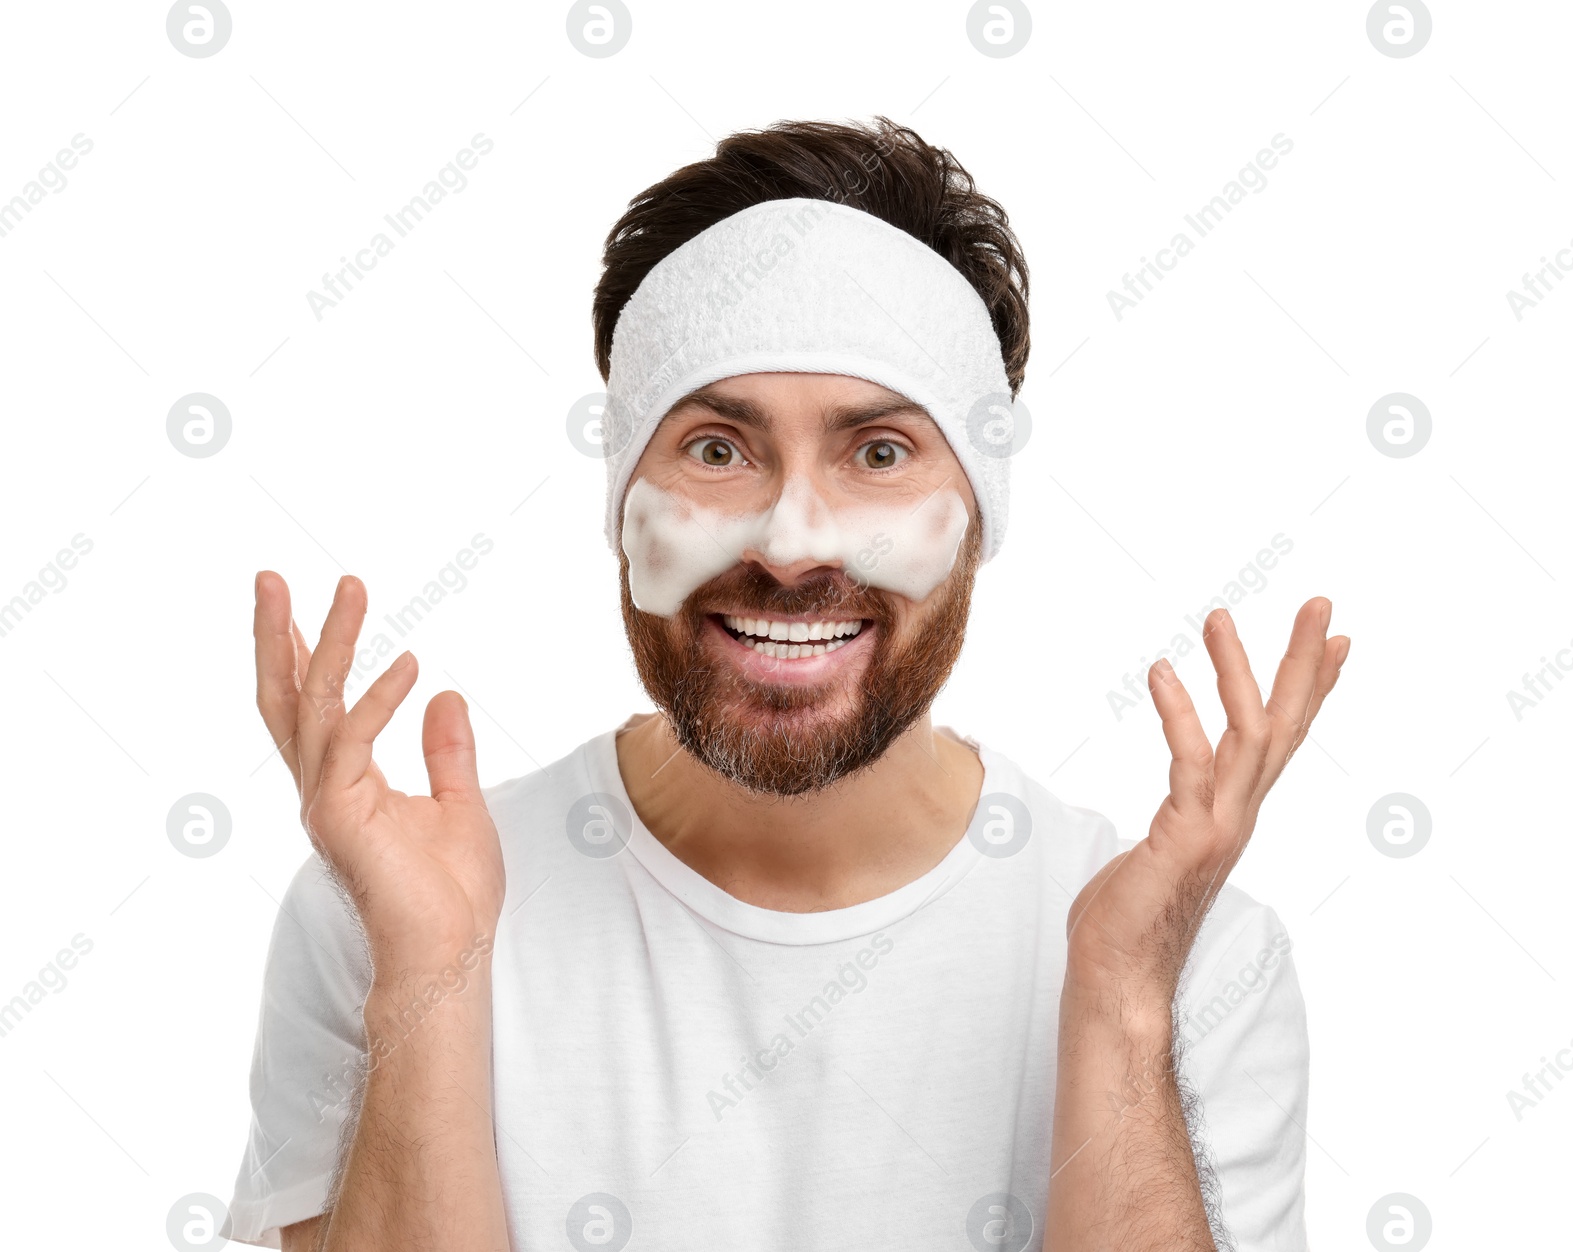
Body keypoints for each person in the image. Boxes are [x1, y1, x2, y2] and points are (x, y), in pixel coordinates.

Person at [223, 117, 1348, 1251]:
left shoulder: (1189, 958)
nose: (793, 542)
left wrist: (1116, 999)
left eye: (878, 453)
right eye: (717, 449)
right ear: (622, 498)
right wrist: (427, 981)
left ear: (977, 517)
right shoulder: (388, 914)